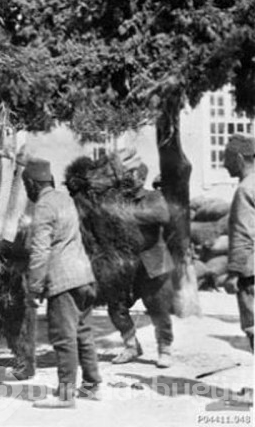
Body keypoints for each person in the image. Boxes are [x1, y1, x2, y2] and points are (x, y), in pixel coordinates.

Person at [23, 157, 101, 408]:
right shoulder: (65, 199)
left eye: (27, 186)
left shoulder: (44, 206)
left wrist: (34, 287)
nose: (27, 191)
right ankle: (92, 386)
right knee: (83, 334)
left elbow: (40, 250)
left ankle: (66, 396)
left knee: (63, 337)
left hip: (63, 279)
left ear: (33, 185)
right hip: (84, 275)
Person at [109, 163, 176, 368]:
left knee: (158, 308)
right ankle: (131, 346)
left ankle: (164, 349)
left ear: (140, 178)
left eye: (130, 175)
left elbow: (161, 215)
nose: (125, 179)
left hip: (153, 263)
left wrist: (127, 215)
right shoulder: (119, 199)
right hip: (127, 264)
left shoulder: (153, 197)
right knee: (116, 305)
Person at [223, 134, 255, 352]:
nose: (225, 164)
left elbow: (243, 234)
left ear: (240, 160)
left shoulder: (245, 189)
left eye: (228, 158)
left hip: (250, 272)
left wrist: (234, 272)